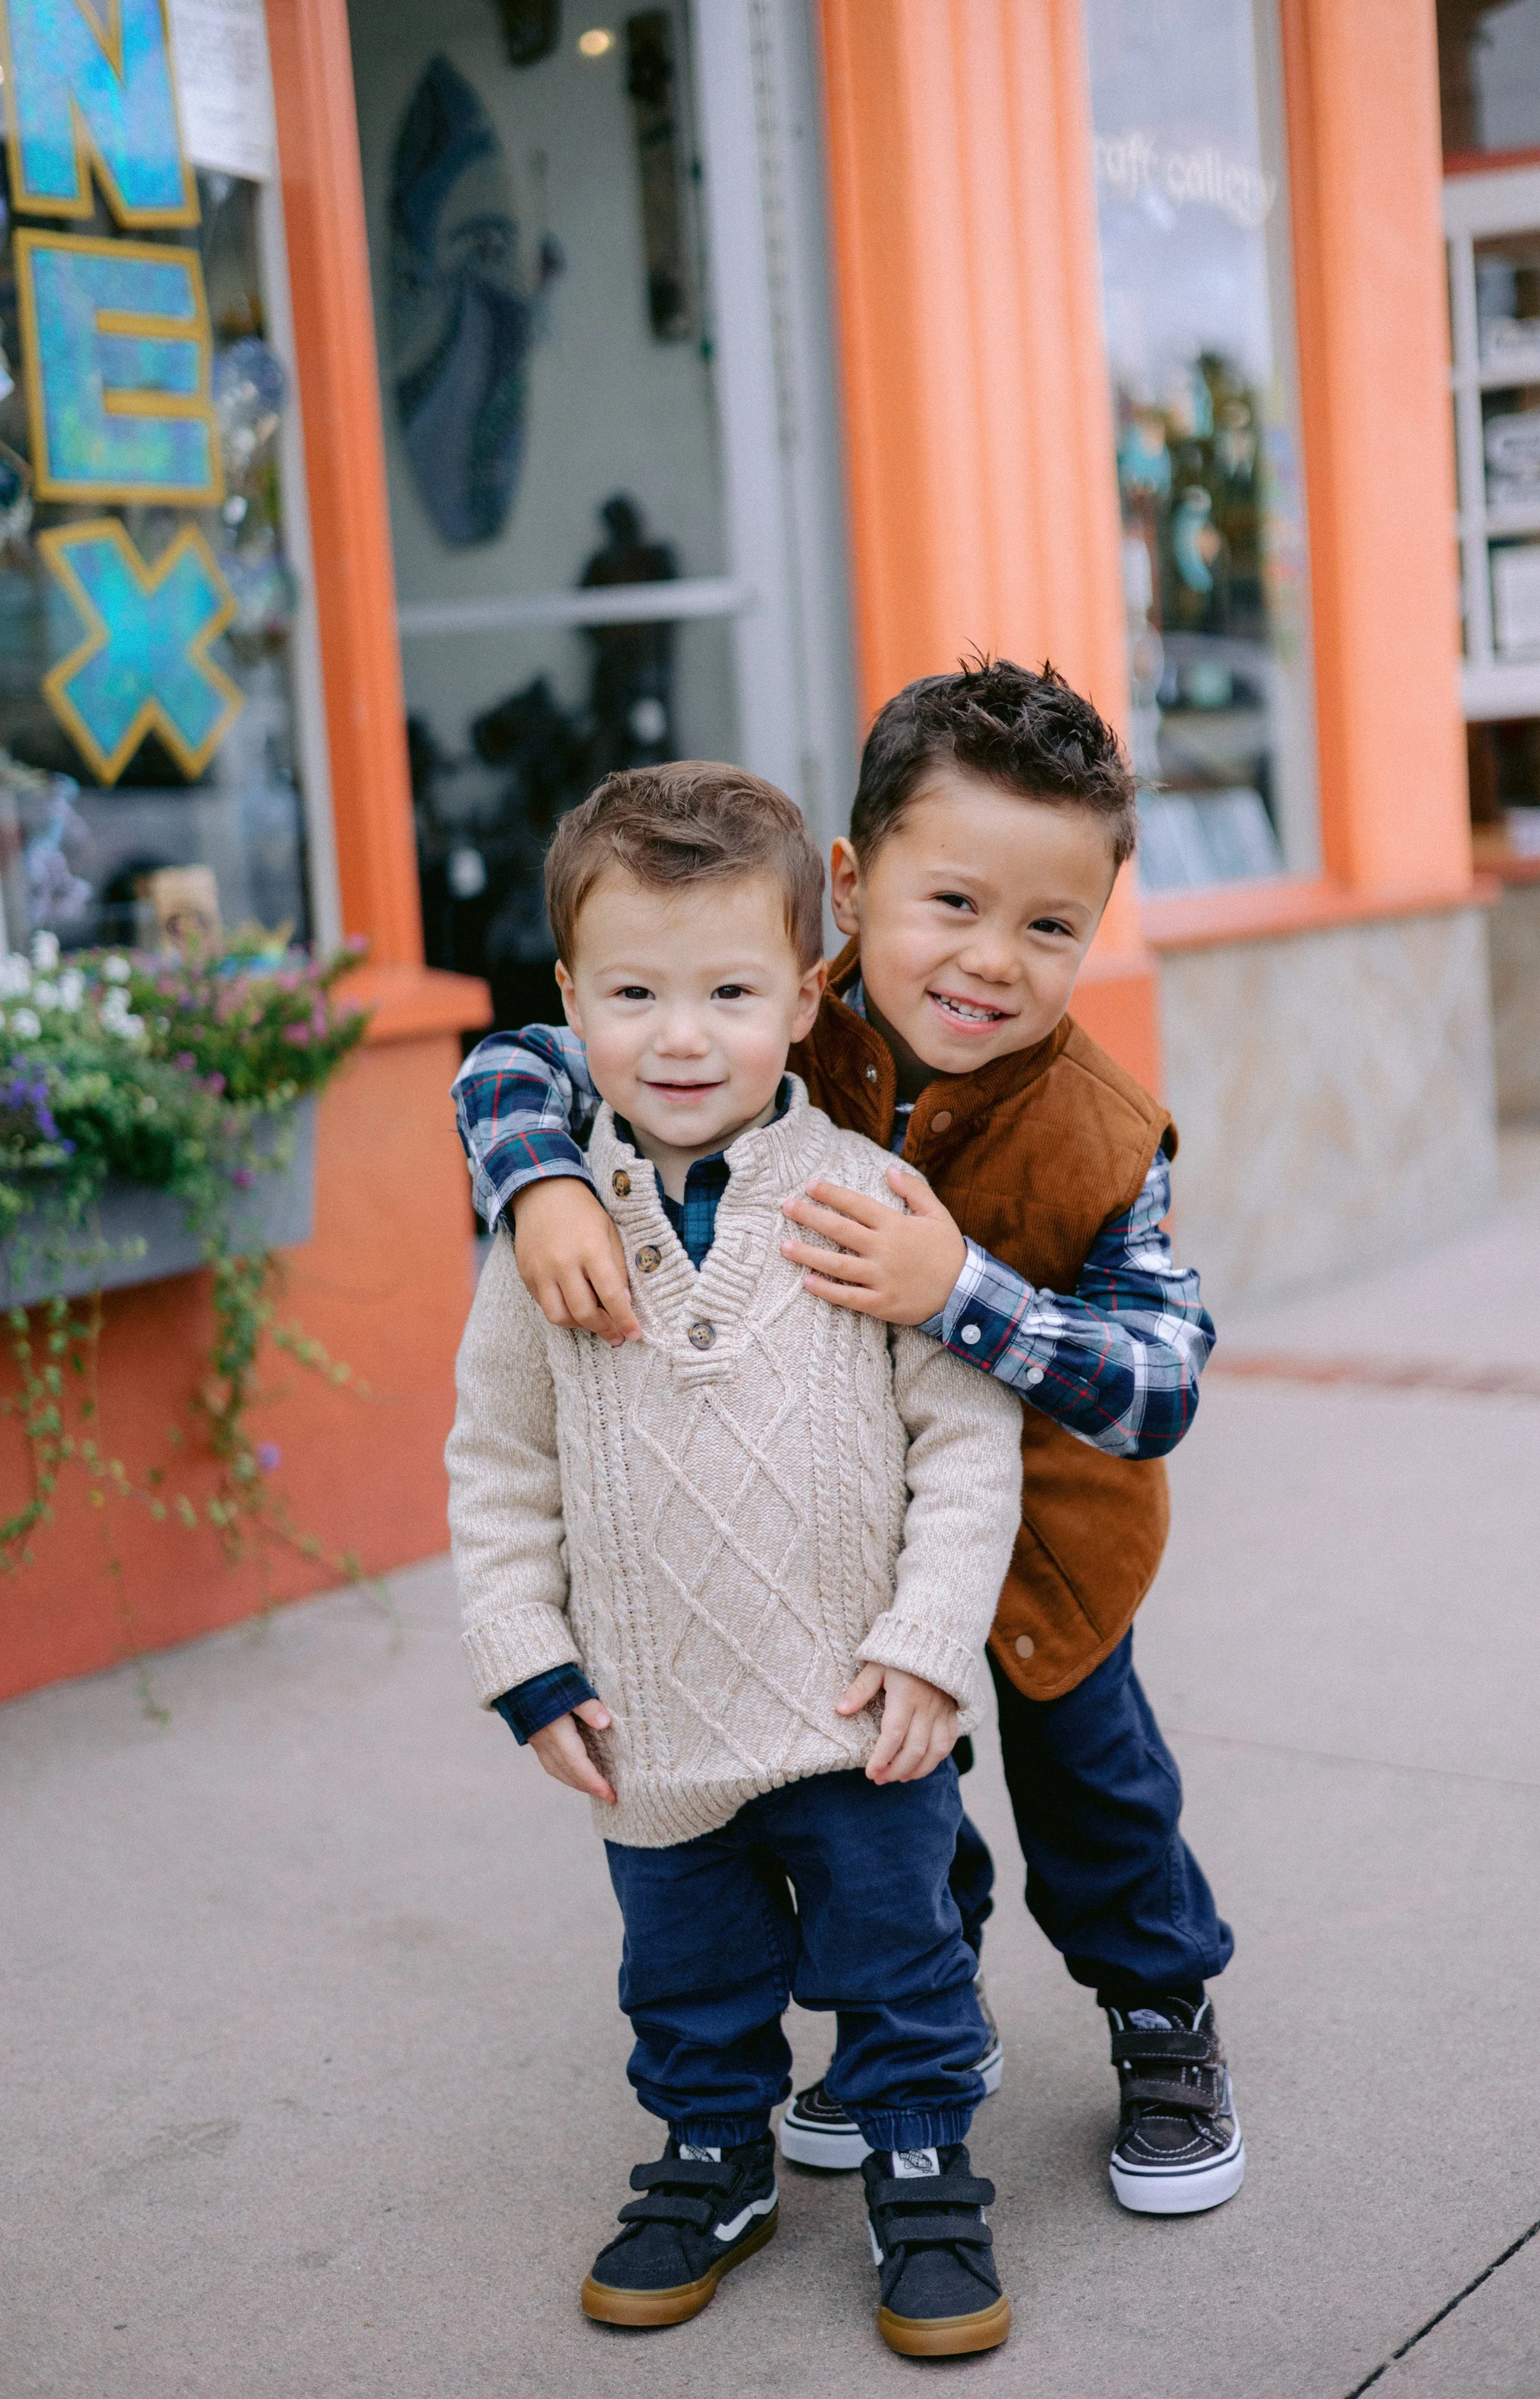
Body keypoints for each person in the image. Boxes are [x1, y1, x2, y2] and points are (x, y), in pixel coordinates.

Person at [450, 658, 1243, 2223]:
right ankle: (925, 2017)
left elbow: (1159, 1384)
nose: (989, 959)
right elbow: (523, 1057)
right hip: (821, 1538)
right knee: (882, 1797)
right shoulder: (769, 1015)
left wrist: (963, 1292)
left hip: (1045, 1544)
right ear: (851, 887)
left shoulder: (1100, 1129)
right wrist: (536, 1180)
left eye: (1049, 926)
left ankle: (1160, 2014)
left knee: (1096, 1798)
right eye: (950, 902)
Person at [446, 762, 1025, 2355]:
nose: (681, 1037)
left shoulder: (865, 1202)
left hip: (856, 1706)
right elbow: (497, 1466)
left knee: (898, 1960)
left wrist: (927, 1644)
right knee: (685, 1976)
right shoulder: (548, 1229)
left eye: (727, 992)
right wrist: (527, 1660)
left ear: (805, 994)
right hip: (651, 1716)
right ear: (569, 1001)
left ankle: (921, 2168)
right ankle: (713, 2159)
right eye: (633, 994)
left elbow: (965, 1446)